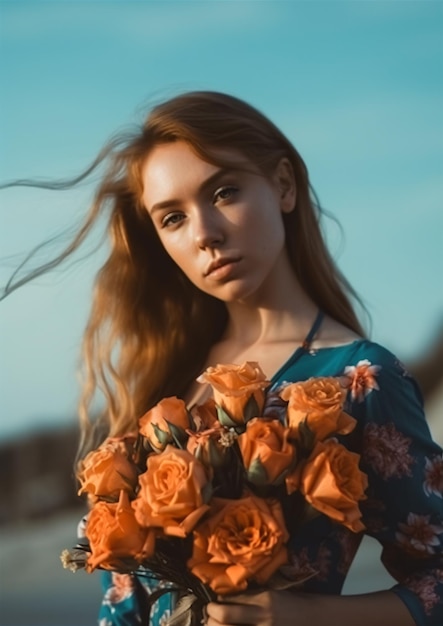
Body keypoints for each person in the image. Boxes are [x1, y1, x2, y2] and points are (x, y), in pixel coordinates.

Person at [4, 91, 442, 625]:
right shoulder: (165, 379)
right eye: (172, 218)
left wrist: (309, 617)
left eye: (224, 191)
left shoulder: (357, 381)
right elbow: (119, 600)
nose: (205, 235)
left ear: (283, 186)